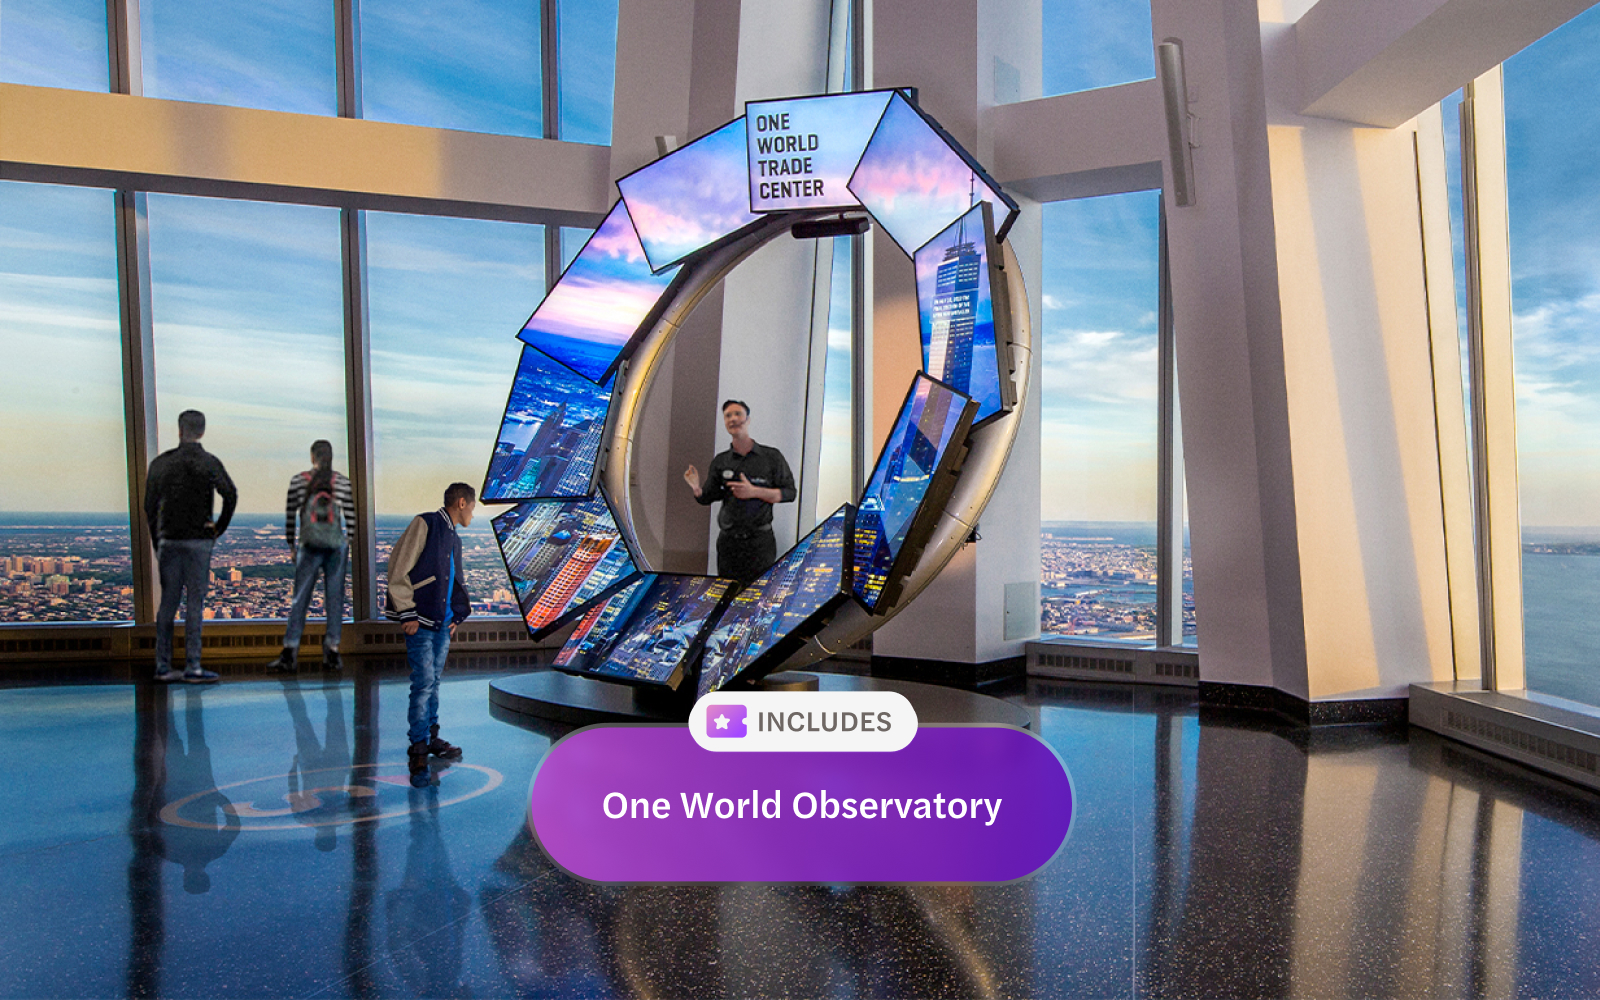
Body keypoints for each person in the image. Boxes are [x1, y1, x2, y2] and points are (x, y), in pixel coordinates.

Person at [385, 483, 475, 784]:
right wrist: (406, 612)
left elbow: (453, 580)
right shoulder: (426, 523)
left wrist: (457, 615)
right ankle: (418, 744)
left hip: (442, 624)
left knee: (433, 683)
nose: (472, 513)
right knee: (423, 683)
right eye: (472, 507)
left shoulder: (454, 537)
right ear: (461, 503)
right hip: (420, 622)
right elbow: (398, 567)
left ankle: (431, 737)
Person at [144, 409, 237, 684]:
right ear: (203, 431)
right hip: (199, 540)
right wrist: (218, 528)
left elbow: (150, 505)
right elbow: (230, 494)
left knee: (168, 603)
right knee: (195, 603)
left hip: (169, 539)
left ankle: (162, 666)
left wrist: (156, 539)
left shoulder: (162, 463)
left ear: (180, 430)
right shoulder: (209, 462)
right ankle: (193, 667)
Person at [267, 440, 357, 673]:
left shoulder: (299, 481)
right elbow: (351, 516)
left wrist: (291, 544)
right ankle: (332, 651)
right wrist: (348, 540)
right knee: (335, 598)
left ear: (312, 457)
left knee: (300, 598)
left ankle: (290, 651)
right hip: (335, 546)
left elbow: (290, 515)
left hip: (309, 545)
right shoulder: (342, 482)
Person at [683, 399, 796, 583]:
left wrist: (755, 491)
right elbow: (709, 496)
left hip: (760, 542)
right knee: (727, 592)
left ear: (748, 419)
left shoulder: (771, 457)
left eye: (738, 414)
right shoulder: (721, 461)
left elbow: (790, 493)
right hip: (729, 543)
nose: (733, 419)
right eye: (728, 416)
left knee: (758, 595)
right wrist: (696, 487)